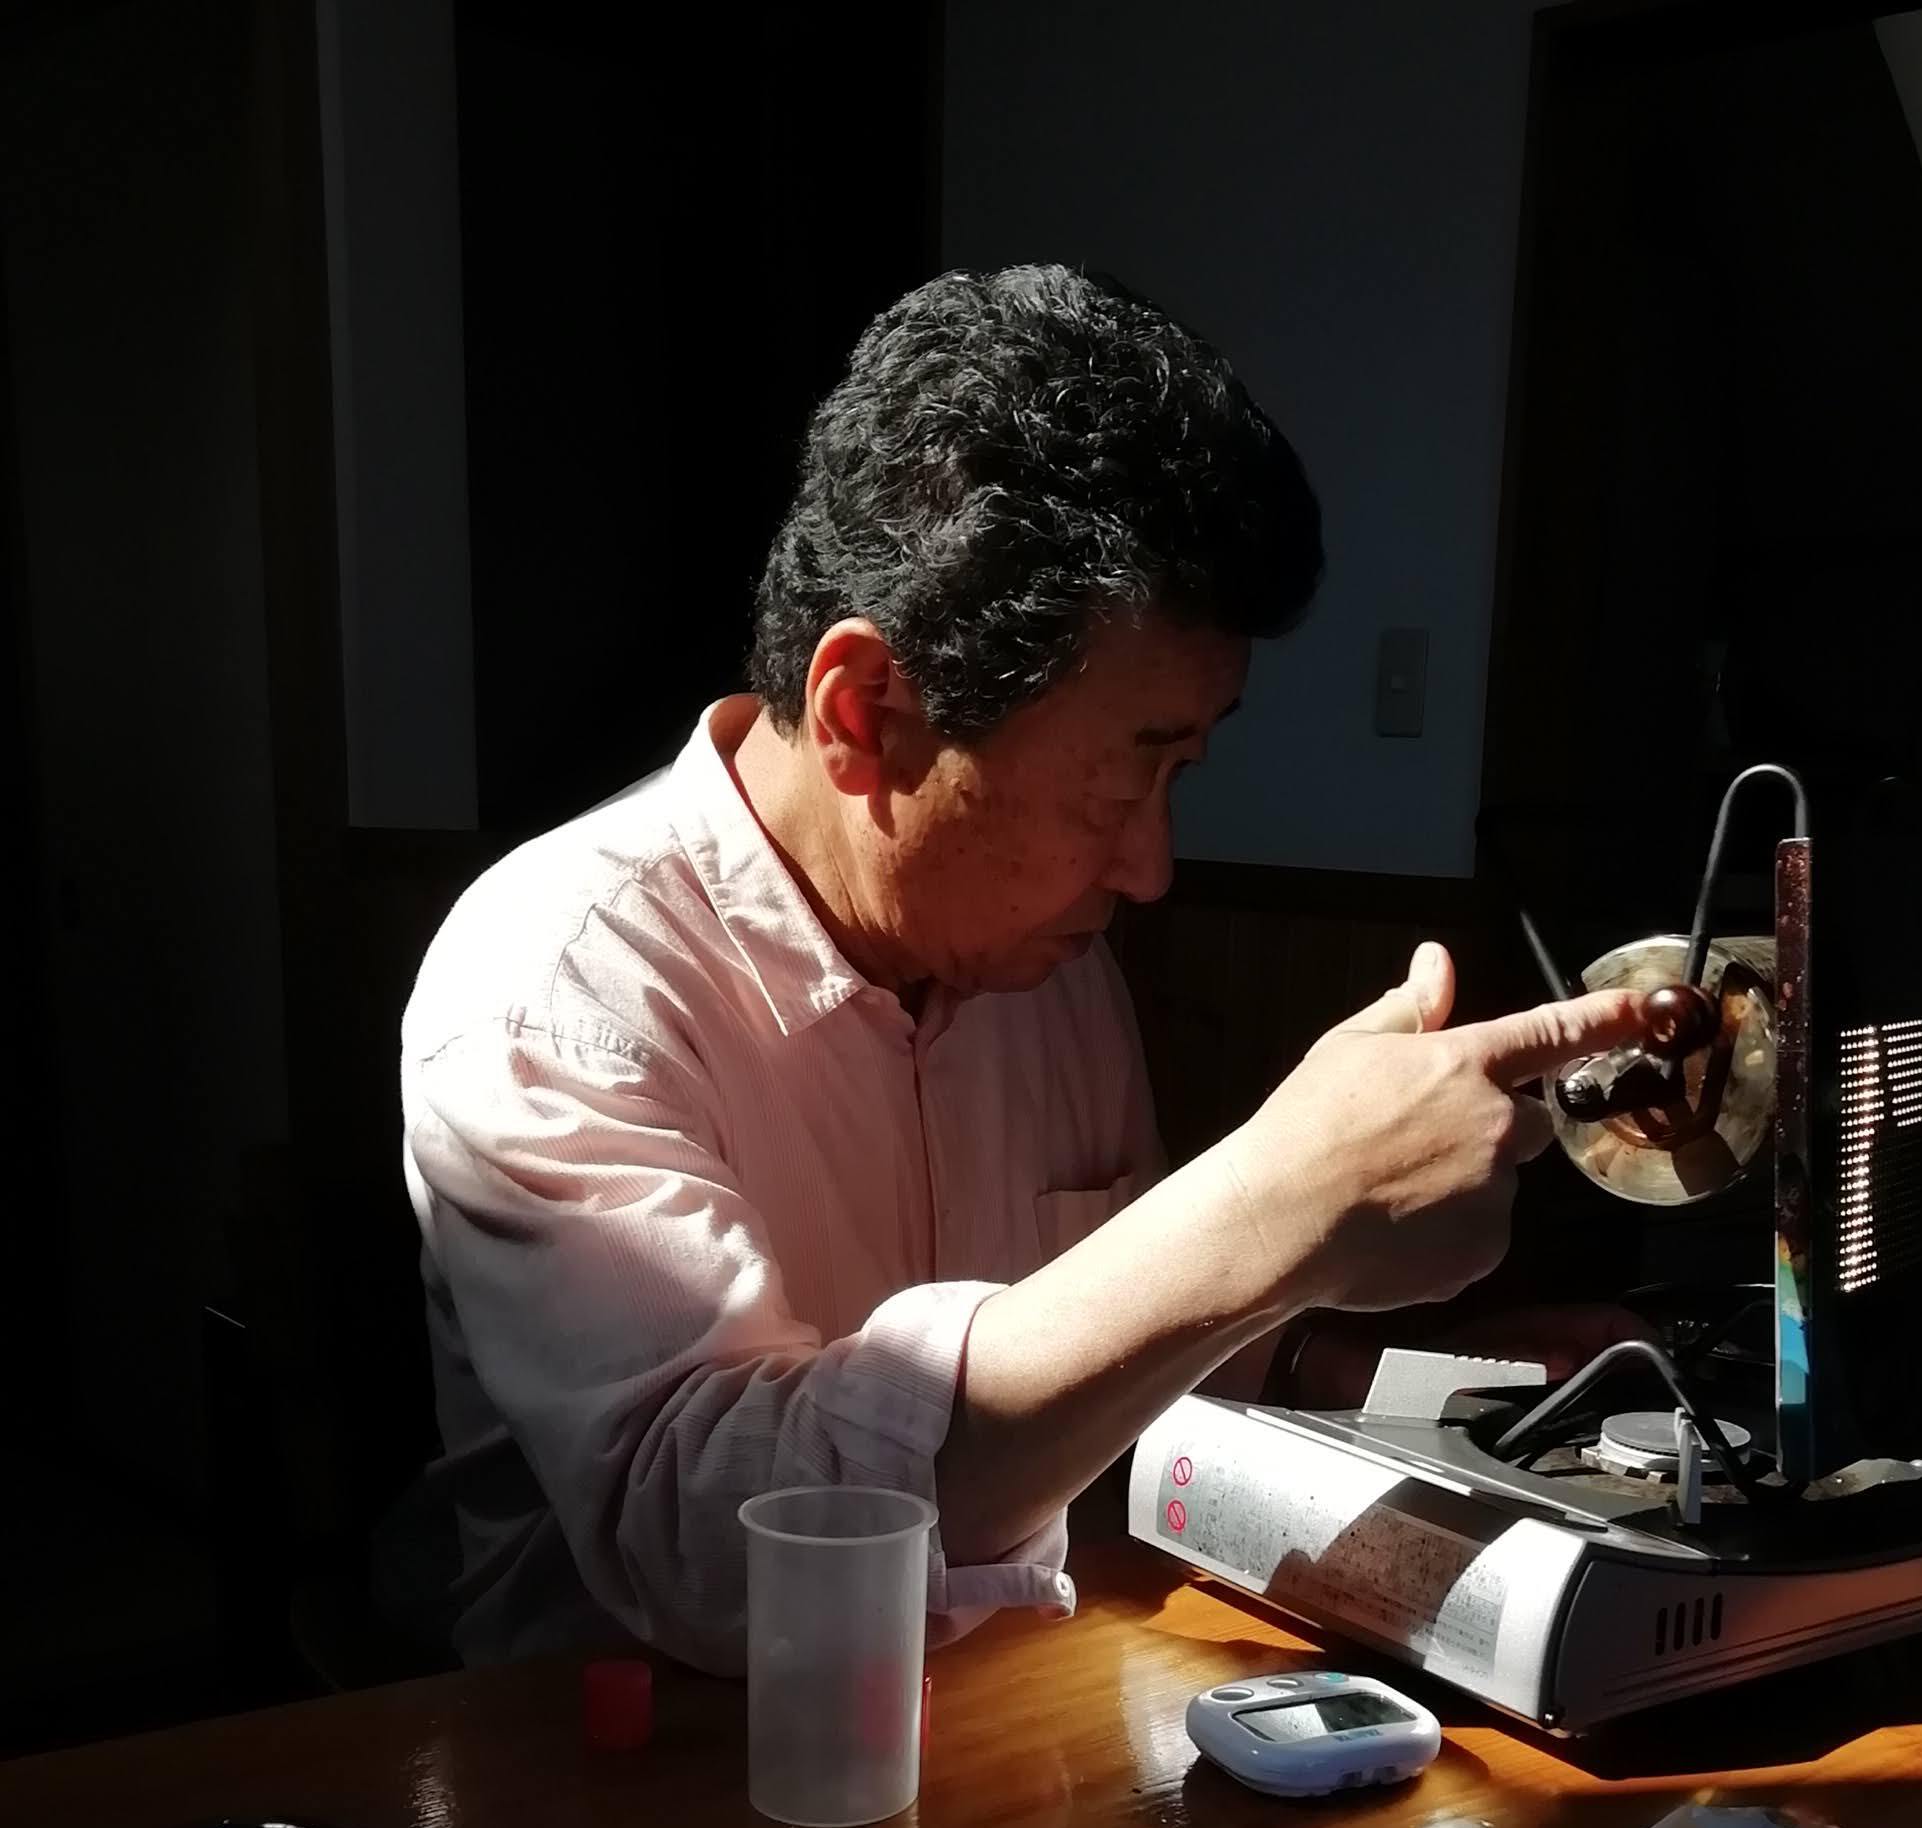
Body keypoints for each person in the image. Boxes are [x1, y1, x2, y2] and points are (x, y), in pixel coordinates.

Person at [402, 264, 1647, 1669]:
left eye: (1183, 772)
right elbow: (713, 1549)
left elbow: (1119, 1357)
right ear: (868, 711)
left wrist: (1435, 1380)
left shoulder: (1038, 964)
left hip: (1015, 1721)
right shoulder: (557, 984)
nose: (1150, 869)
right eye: (1120, 781)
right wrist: (1270, 1200)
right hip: (629, 1768)